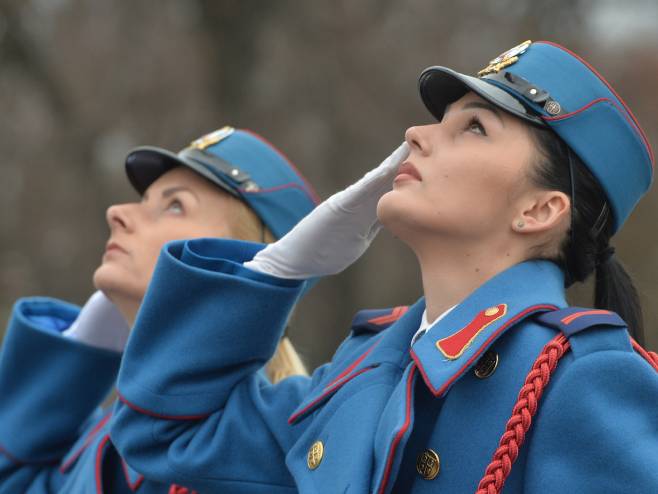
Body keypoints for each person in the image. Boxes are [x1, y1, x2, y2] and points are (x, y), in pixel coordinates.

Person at [111, 41, 658, 493]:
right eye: (439, 120)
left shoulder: (579, 378)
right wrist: (276, 269)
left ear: (539, 210)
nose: (415, 135)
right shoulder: (362, 368)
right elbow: (164, 432)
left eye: (474, 127)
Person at [0, 126, 319, 493]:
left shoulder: (258, 442)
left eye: (174, 206)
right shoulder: (104, 441)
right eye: (144, 201)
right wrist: (68, 370)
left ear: (242, 256)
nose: (117, 213)